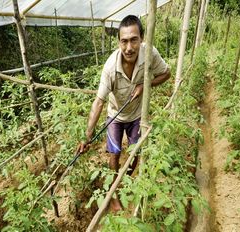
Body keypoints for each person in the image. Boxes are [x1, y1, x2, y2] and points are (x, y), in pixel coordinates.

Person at [77, 15, 171, 212]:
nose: (129, 47)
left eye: (134, 40)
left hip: (137, 116)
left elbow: (166, 73)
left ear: (142, 38)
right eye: (124, 41)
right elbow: (99, 102)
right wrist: (87, 137)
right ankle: (113, 193)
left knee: (135, 152)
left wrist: (146, 85)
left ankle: (126, 179)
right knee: (115, 153)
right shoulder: (110, 68)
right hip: (115, 116)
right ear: (119, 41)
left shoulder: (150, 53)